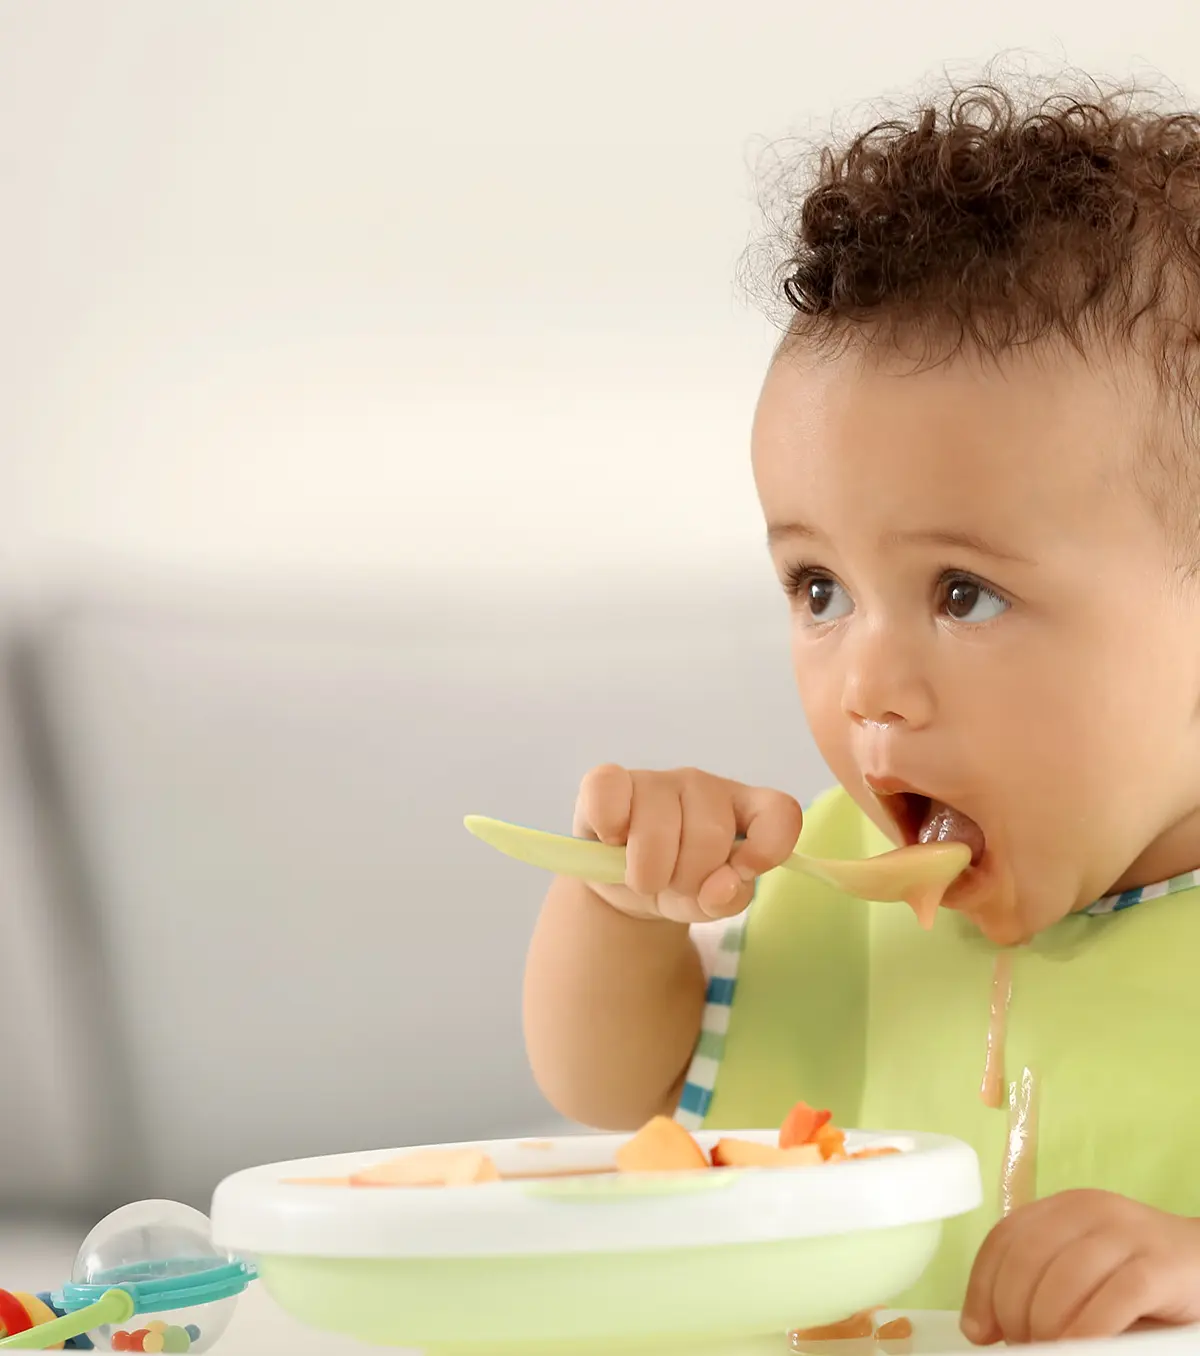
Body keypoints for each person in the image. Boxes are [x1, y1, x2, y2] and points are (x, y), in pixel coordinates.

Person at [522, 75, 1200, 1346]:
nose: (866, 687)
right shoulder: (835, 872)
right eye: (819, 587)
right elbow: (606, 1085)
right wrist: (625, 908)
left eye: (966, 593)